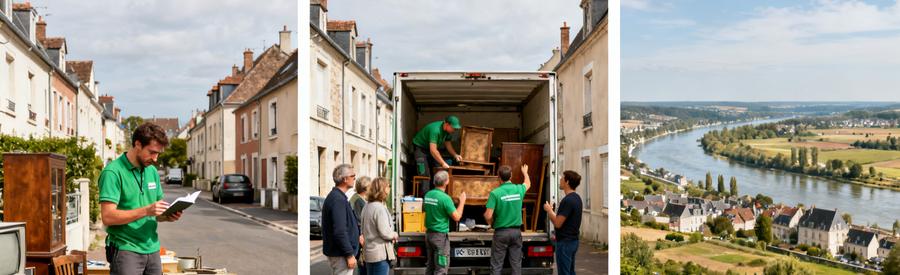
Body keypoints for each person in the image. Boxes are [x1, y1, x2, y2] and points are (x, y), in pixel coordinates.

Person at [99, 123, 182, 275]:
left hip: (153, 249)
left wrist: (168, 216)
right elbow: (107, 217)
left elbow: (155, 214)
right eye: (152, 152)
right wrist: (146, 210)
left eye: (158, 153)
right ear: (137, 144)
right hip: (126, 250)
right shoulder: (113, 172)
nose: (155, 159)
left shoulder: (152, 172)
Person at [484, 164, 531, 275]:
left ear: (499, 177)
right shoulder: (519, 189)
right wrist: (525, 172)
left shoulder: (495, 193)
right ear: (511, 176)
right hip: (516, 232)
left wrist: (490, 224)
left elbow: (487, 215)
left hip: (501, 233)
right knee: (516, 264)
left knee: (497, 265)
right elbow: (528, 183)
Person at [423, 170, 467, 275]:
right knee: (441, 268)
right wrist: (462, 202)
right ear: (446, 182)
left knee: (430, 266)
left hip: (429, 235)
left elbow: (425, 209)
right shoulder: (445, 198)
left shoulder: (428, 195)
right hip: (440, 238)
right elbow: (457, 217)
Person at [323, 164, 362, 275]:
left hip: (339, 254)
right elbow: (340, 231)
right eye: (353, 175)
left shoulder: (337, 196)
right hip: (341, 256)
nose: (355, 178)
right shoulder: (338, 199)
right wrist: (349, 254)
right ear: (345, 179)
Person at [543, 171, 583, 275]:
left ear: (567, 182)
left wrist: (549, 210)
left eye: (562, 179)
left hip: (565, 243)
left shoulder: (568, 200)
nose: (560, 180)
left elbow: (557, 223)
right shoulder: (577, 198)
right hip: (573, 241)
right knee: (570, 272)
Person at [412, 115, 463, 194]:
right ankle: (426, 199)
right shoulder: (435, 130)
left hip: (430, 149)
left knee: (438, 170)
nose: (454, 130)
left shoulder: (448, 132)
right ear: (446, 124)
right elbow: (433, 150)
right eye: (453, 128)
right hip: (420, 148)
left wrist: (455, 155)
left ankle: (436, 195)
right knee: (424, 174)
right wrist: (443, 163)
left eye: (456, 128)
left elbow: (448, 145)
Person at [360, 178, 397, 275]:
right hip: (380, 254)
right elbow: (385, 233)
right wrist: (394, 234)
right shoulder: (379, 208)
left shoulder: (367, 206)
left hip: (369, 253)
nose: (389, 189)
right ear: (383, 189)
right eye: (388, 186)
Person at [350, 177, 372, 275]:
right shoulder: (358, 201)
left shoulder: (356, 198)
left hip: (359, 237)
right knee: (363, 266)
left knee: (362, 265)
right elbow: (359, 221)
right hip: (360, 238)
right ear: (365, 188)